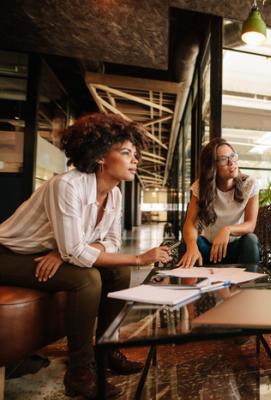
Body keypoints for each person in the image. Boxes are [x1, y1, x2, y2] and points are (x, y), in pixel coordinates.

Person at [0, 113, 173, 399]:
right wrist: (141, 258)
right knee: (87, 279)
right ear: (102, 156)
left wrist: (63, 251)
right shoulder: (68, 185)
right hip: (8, 254)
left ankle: (107, 350)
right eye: (127, 153)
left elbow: (112, 242)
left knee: (119, 272)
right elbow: (78, 251)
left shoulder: (115, 195)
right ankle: (80, 371)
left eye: (135, 154)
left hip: (45, 252)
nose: (135, 160)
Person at [177, 137, 260, 268]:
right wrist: (192, 247)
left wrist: (227, 230)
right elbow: (190, 224)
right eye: (223, 159)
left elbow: (250, 225)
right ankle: (186, 283)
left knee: (251, 240)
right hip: (209, 250)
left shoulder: (249, 184)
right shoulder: (200, 187)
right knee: (187, 244)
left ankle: (248, 286)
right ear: (212, 167)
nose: (231, 162)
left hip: (236, 248)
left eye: (232, 156)